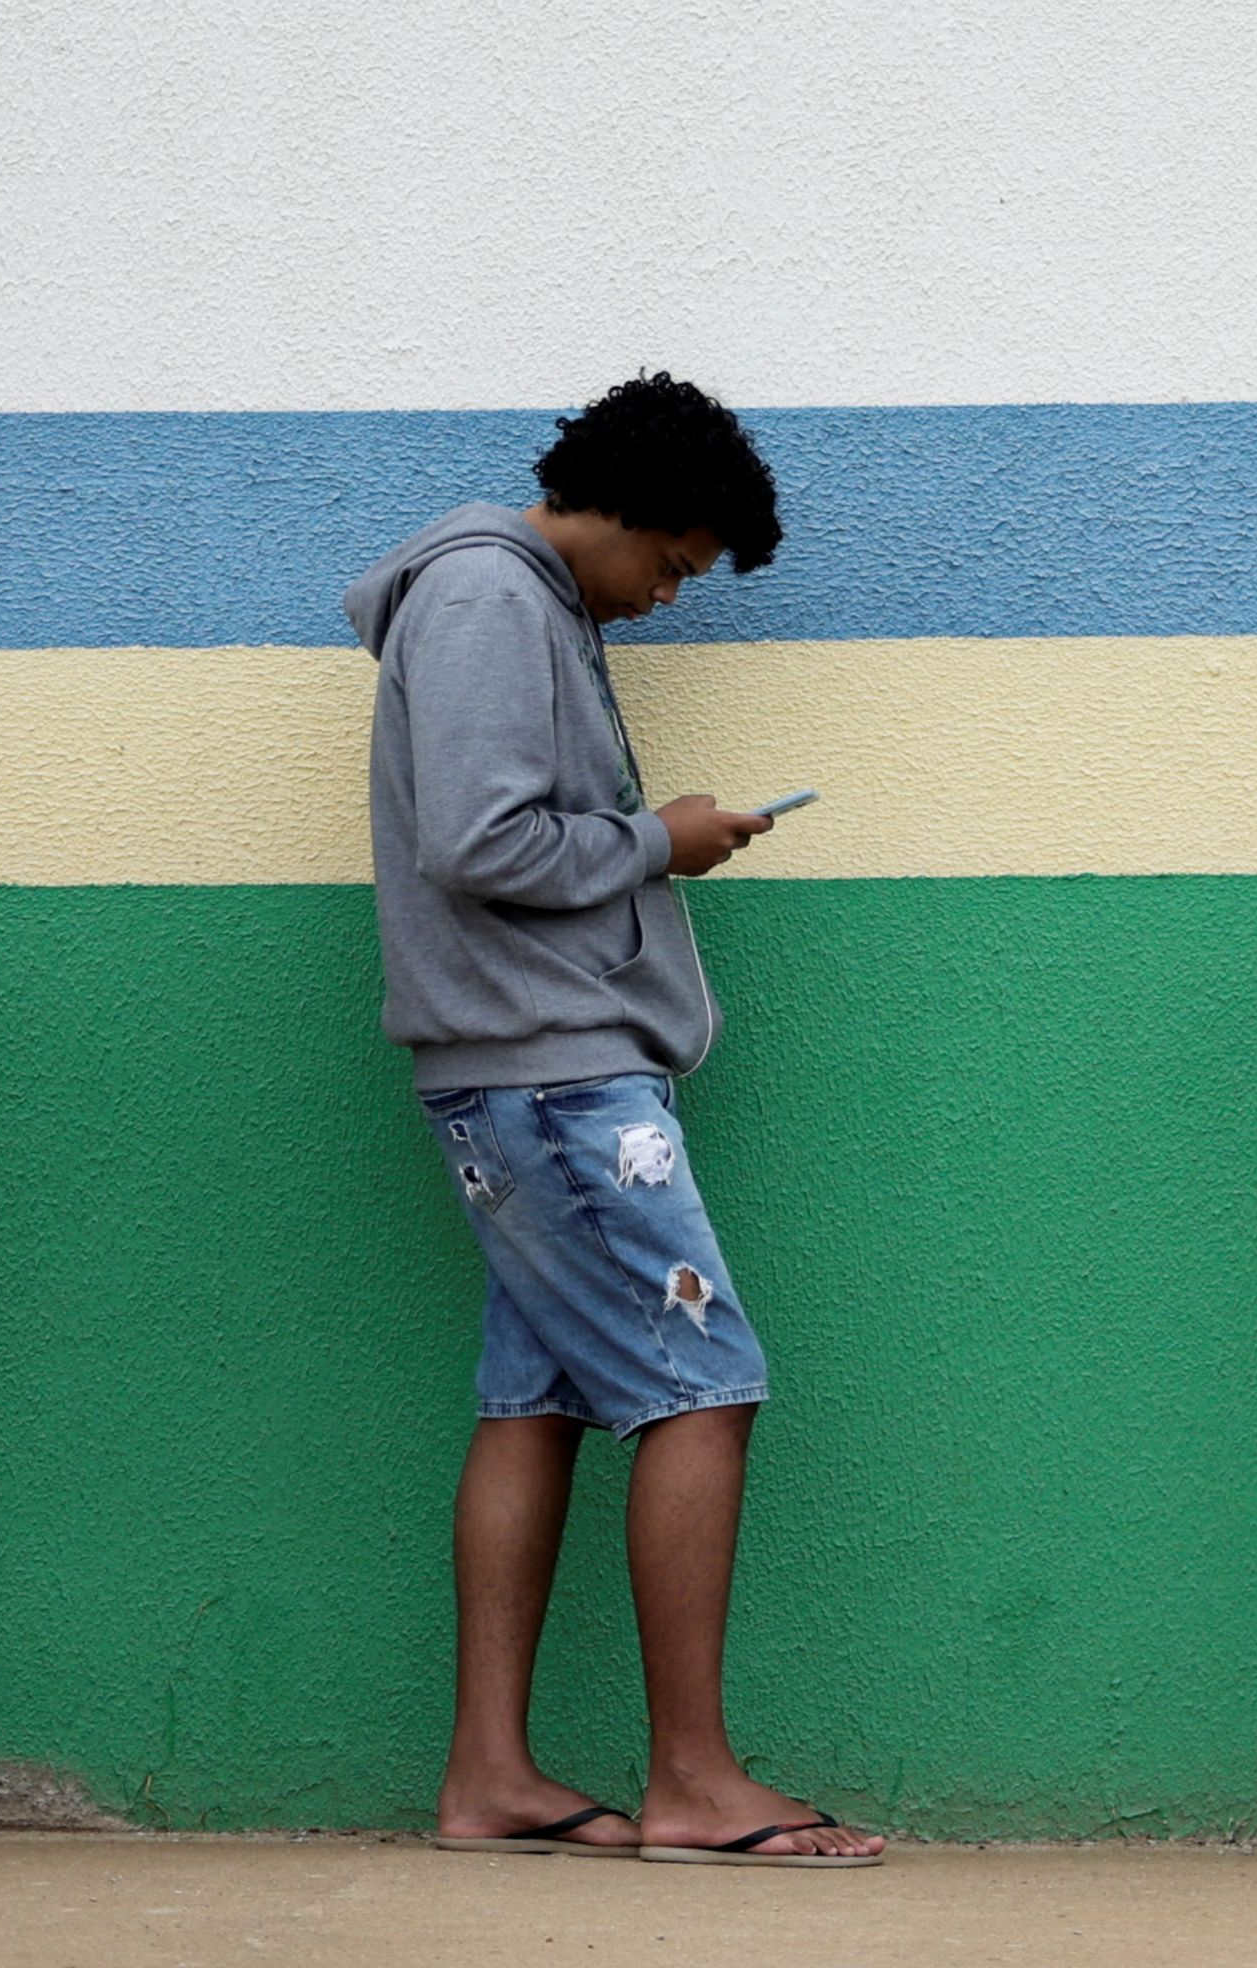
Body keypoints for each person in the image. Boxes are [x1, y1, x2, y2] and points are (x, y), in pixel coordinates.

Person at [346, 373, 884, 1867]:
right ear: (629, 510)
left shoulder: (507, 603)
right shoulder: (488, 598)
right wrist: (666, 839)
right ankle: (696, 1782)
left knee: (544, 1398)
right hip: (552, 1072)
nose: (662, 597)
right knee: (703, 1383)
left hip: (527, 1065)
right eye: (673, 564)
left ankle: (490, 1777)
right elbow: (479, 838)